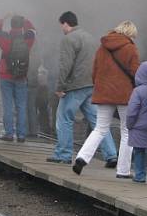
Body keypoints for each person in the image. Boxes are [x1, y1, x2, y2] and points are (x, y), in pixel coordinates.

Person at [48, 12, 117, 164]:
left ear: (65, 23)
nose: (62, 28)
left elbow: (65, 65)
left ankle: (63, 154)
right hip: (91, 84)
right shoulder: (90, 38)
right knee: (98, 122)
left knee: (64, 118)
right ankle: (111, 154)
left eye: (61, 25)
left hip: (75, 86)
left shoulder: (68, 39)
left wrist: (60, 86)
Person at [73, 21, 140, 177]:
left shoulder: (102, 47)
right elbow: (137, 73)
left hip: (103, 93)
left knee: (100, 128)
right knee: (127, 131)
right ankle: (123, 170)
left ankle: (82, 157)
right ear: (130, 33)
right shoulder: (131, 48)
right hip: (124, 95)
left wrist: (100, 87)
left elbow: (94, 71)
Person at [0, 14, 36, 142]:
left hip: (6, 75)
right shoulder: (28, 38)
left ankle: (9, 133)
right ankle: (21, 135)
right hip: (21, 76)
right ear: (21, 25)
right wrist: (25, 19)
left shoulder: (4, 38)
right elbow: (33, 30)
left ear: (10, 25)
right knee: (21, 106)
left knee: (7, 105)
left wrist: (2, 18)